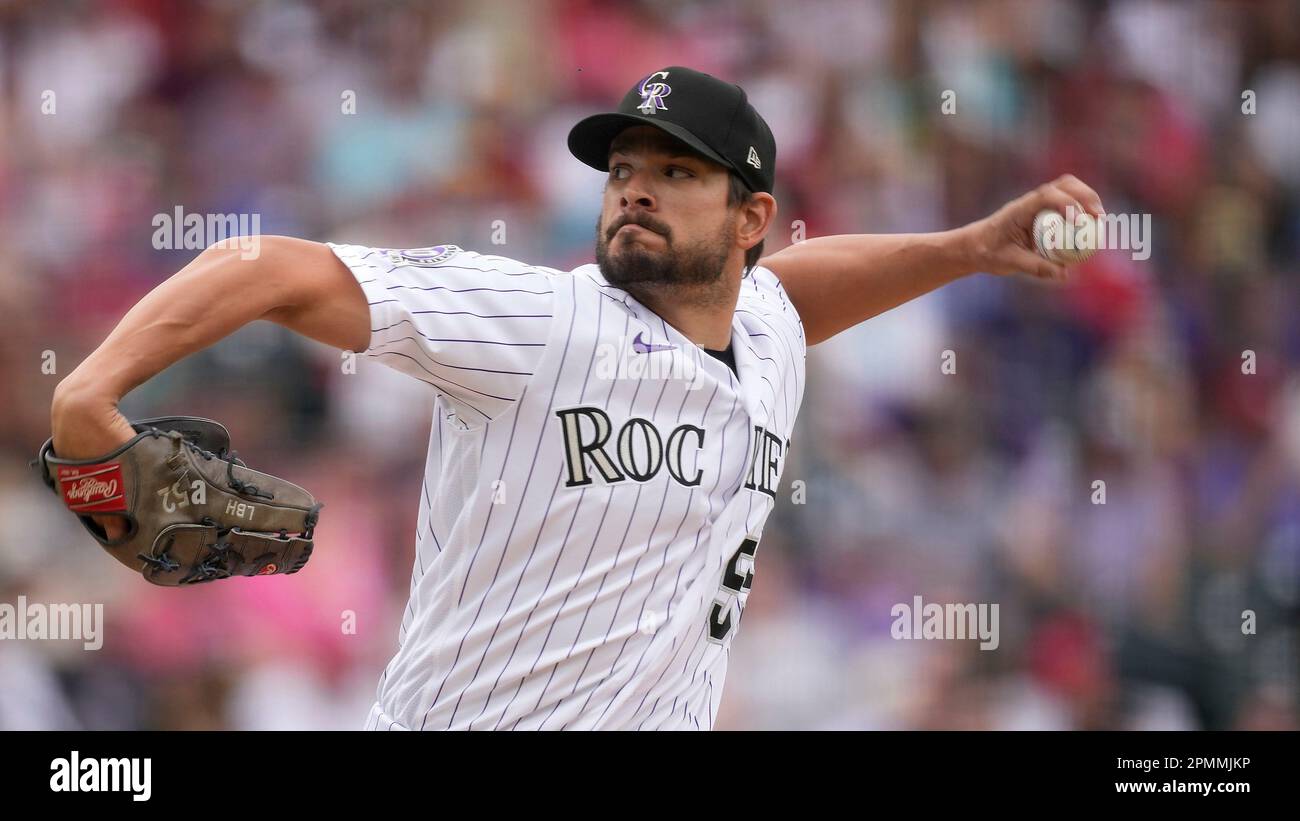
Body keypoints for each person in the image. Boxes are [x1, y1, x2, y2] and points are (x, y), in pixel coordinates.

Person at [49, 66, 1103, 730]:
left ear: (751, 218)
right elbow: (271, 266)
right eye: (621, 169)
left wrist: (966, 249)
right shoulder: (537, 320)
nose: (635, 185)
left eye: (676, 173)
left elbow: (796, 289)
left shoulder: (767, 333)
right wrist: (90, 394)